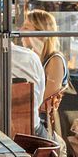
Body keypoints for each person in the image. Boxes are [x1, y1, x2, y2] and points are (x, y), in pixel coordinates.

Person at [21, 9, 68, 141]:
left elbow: (45, 97)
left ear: (39, 32)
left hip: (45, 123)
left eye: (26, 27)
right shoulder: (32, 57)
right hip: (31, 115)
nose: (21, 30)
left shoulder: (55, 60)